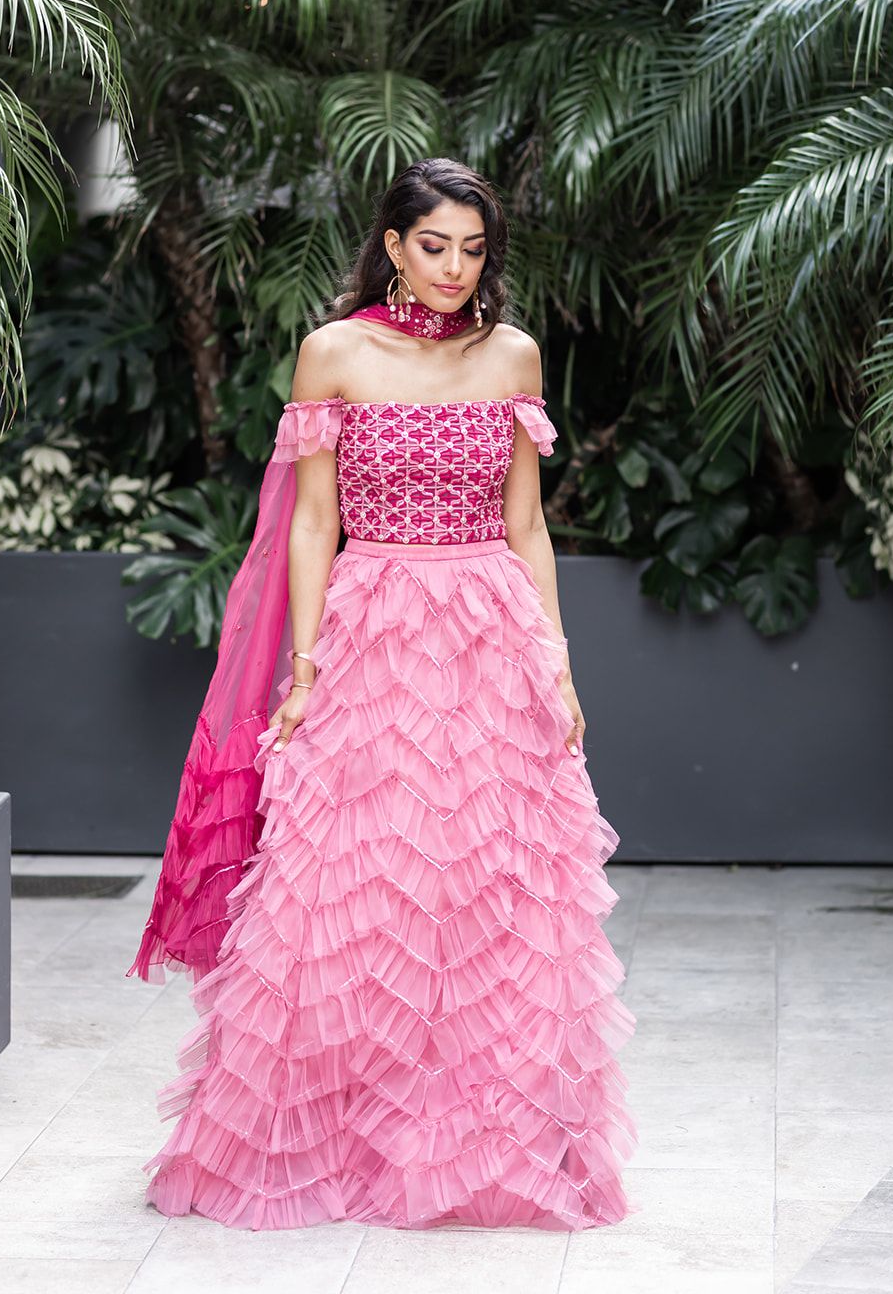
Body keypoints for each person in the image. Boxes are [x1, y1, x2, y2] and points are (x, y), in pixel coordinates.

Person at [128, 157, 638, 1231]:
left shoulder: (513, 355)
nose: (454, 268)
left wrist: (555, 658)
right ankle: (334, 1136)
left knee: (491, 887)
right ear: (394, 245)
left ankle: (479, 1143)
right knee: (353, 885)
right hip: (373, 624)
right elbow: (313, 523)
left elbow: (527, 525)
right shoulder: (334, 352)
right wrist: (304, 669)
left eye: (472, 248)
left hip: (490, 629)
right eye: (433, 245)